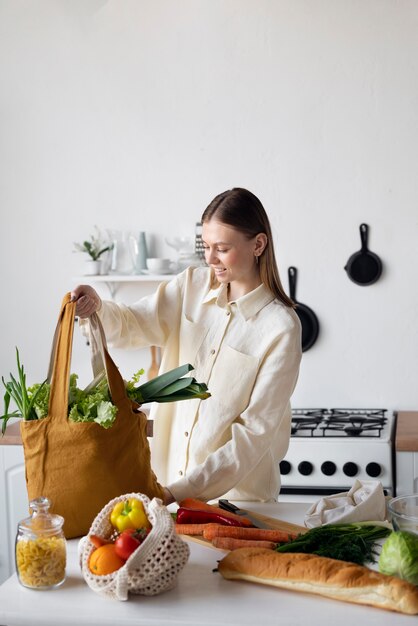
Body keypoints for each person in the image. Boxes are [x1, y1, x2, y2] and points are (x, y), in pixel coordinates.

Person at [71, 187, 302, 505]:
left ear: (258, 244)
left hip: (237, 504)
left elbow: (252, 434)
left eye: (222, 248)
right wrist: (98, 308)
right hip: (165, 490)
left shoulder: (280, 327)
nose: (210, 259)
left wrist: (178, 491)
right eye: (206, 246)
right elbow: (133, 323)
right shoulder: (190, 288)